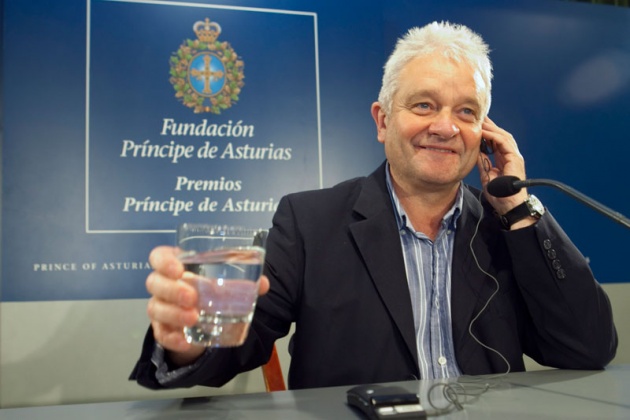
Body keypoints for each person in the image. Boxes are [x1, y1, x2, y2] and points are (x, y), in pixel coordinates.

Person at [131, 21, 617, 390]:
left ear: (485, 134)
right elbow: (240, 342)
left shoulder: (508, 229)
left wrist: (516, 205)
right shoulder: (309, 222)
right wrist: (186, 340)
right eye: (424, 105)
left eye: (466, 111)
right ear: (383, 121)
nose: (446, 127)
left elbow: (587, 348)